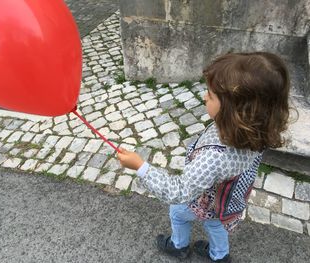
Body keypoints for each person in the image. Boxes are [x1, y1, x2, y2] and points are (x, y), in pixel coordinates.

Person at [117, 52, 291, 262]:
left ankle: (178, 246)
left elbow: (179, 191)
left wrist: (140, 166)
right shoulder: (258, 130)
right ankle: (220, 255)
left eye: (210, 94)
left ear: (233, 110)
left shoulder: (213, 157)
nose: (204, 97)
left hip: (205, 199)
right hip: (228, 199)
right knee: (216, 224)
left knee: (178, 212)